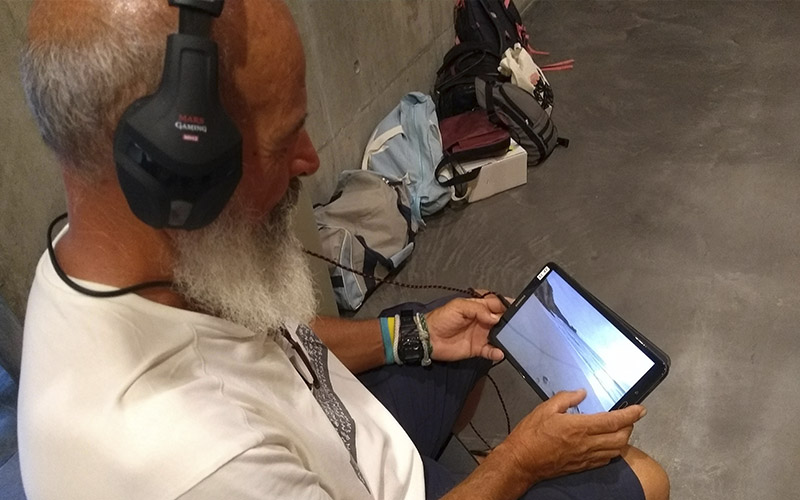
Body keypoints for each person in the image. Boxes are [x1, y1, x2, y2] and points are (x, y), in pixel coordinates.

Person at [16, 0, 669, 499]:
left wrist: (408, 339)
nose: (311, 160)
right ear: (175, 170)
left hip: (342, 442)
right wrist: (516, 464)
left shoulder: (117, 260)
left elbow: (271, 343)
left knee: (458, 340)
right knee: (642, 477)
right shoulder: (198, 466)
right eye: (285, 139)